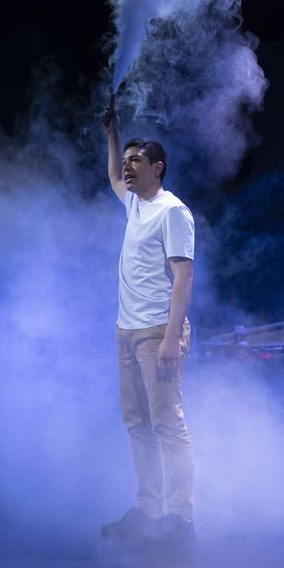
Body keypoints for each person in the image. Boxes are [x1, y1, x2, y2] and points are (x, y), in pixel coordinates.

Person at [101, 94, 195, 542]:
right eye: (125, 161)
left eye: (135, 160)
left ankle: (180, 518)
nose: (126, 167)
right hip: (127, 332)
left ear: (158, 167)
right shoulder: (136, 204)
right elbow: (111, 177)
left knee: (166, 425)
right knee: (138, 426)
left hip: (158, 332)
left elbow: (184, 278)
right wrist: (113, 135)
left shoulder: (172, 211)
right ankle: (148, 509)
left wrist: (171, 338)